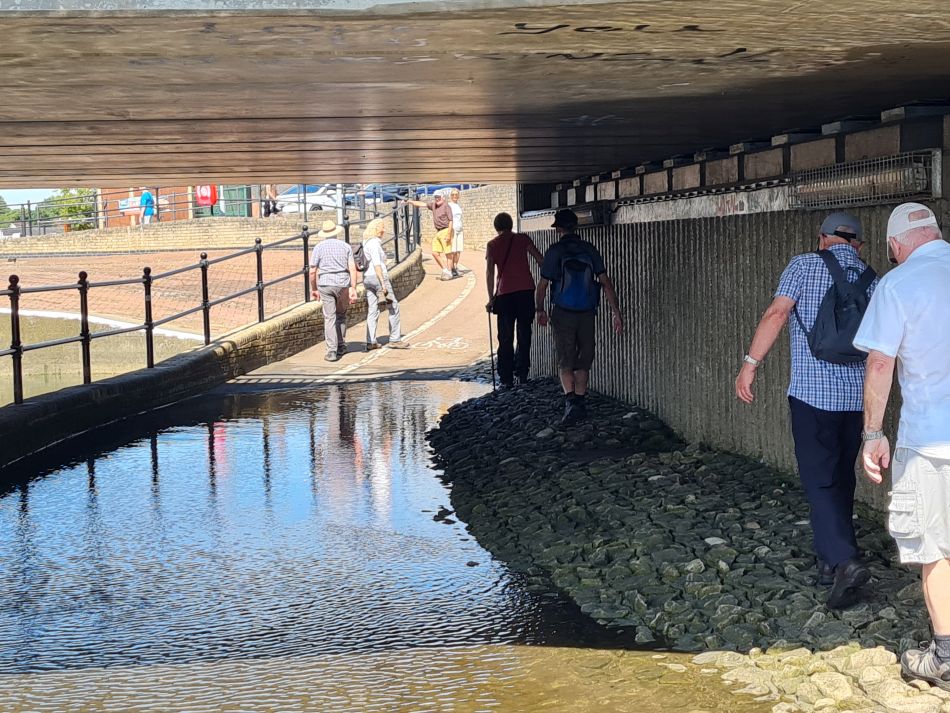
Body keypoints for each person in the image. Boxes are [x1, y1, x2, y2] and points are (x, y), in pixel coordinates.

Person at [735, 211, 877, 609]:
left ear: (822, 239)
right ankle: (827, 559)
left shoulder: (804, 265)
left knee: (818, 480)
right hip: (858, 400)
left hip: (813, 396)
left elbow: (777, 313)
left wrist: (750, 364)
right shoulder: (874, 279)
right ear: (858, 245)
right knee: (841, 477)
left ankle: (845, 561)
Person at [854, 203, 950, 690]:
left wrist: (873, 433)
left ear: (895, 247)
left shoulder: (897, 284)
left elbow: (879, 363)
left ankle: (946, 656)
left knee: (934, 546)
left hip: (931, 441)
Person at [535, 209, 622, 425]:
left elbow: (543, 285)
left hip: (563, 312)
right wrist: (616, 312)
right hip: (587, 312)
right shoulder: (589, 249)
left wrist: (540, 309)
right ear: (576, 226)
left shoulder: (555, 251)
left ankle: (571, 402)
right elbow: (605, 282)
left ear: (558, 229)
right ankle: (581, 403)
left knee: (565, 357)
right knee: (585, 357)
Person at [486, 212, 543, 389]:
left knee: (505, 337)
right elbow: (540, 259)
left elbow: (489, 273)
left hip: (505, 295)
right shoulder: (523, 239)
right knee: (524, 333)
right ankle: (523, 373)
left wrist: (490, 298)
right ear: (511, 224)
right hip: (526, 291)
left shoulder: (493, 245)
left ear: (496, 227)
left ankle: (506, 378)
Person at [309, 219, 358, 362]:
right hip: (342, 283)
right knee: (341, 315)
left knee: (329, 317)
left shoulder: (318, 248)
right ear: (336, 232)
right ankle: (341, 345)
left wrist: (314, 288)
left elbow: (312, 271)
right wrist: (353, 287)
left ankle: (331, 351)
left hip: (325, 284)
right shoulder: (345, 246)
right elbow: (352, 268)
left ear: (324, 234)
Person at [362, 218, 409, 351]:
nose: (384, 230)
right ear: (376, 229)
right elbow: (377, 264)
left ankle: (370, 340)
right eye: (382, 227)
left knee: (372, 309)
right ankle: (395, 339)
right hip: (378, 278)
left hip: (367, 278)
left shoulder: (366, 243)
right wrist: (383, 284)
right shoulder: (375, 243)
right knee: (393, 306)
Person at [404, 192, 455, 280]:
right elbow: (421, 204)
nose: (437, 199)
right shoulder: (433, 205)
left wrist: (449, 234)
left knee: (448, 253)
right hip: (438, 232)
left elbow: (451, 220)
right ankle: (445, 270)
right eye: (436, 197)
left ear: (443, 198)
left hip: (446, 230)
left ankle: (449, 272)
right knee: (435, 253)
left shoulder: (446, 206)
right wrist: (409, 202)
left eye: (438, 197)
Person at [448, 188, 464, 278]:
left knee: (458, 250)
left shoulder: (458, 205)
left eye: (456, 194)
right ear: (450, 196)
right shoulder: (449, 205)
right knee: (453, 250)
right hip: (453, 229)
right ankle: (452, 268)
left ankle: (455, 266)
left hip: (460, 229)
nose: (455, 196)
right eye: (453, 195)